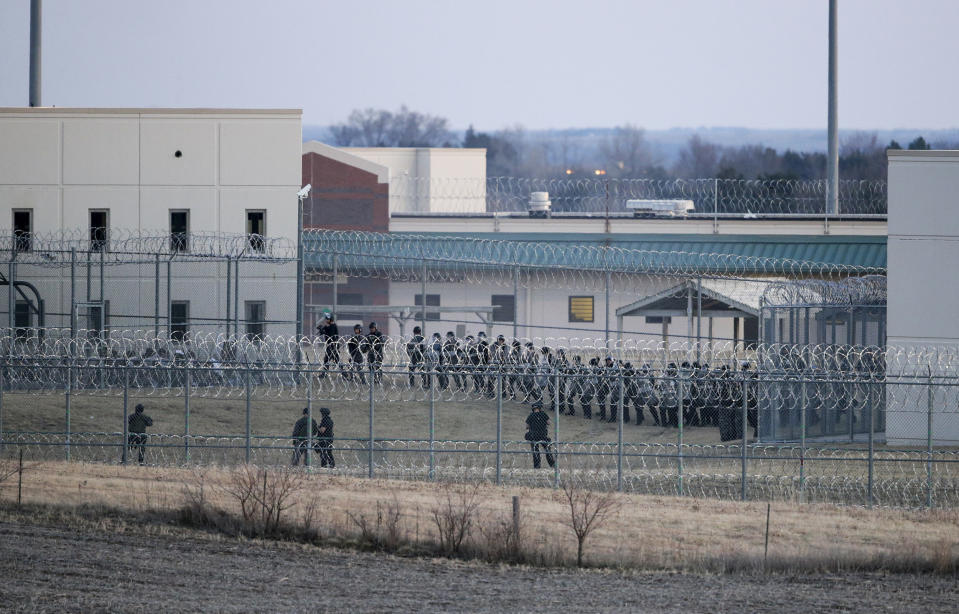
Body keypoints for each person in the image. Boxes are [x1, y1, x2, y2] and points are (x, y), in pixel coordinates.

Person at [524, 404, 556, 469]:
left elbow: (527, 426)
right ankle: (552, 464)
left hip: (534, 436)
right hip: (543, 435)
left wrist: (533, 425)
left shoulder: (531, 415)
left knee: (536, 451)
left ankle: (537, 466)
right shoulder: (543, 414)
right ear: (540, 408)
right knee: (547, 450)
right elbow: (549, 423)